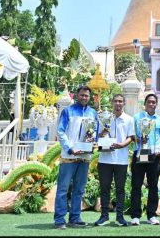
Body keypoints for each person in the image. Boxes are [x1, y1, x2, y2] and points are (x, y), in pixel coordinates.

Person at [54, 86, 98, 229]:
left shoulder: (93, 113)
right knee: (63, 189)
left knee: (79, 189)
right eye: (82, 95)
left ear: (89, 97)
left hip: (84, 156)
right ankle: (59, 220)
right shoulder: (68, 111)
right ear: (77, 96)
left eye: (86, 95)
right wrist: (70, 148)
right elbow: (60, 131)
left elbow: (94, 132)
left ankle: (75, 218)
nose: (84, 97)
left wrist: (95, 143)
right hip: (69, 155)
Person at [94, 94, 135, 227]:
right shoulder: (104, 117)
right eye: (116, 101)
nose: (118, 103)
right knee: (104, 188)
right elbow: (96, 135)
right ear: (112, 103)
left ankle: (120, 216)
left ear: (124, 104)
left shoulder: (129, 119)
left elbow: (131, 137)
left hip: (121, 160)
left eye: (120, 101)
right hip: (105, 159)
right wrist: (102, 133)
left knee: (120, 189)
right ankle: (104, 216)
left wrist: (122, 145)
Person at [130, 93, 160, 226]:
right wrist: (140, 139)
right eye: (149, 102)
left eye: (153, 102)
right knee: (136, 185)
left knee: (153, 186)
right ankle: (135, 215)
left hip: (154, 156)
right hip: (139, 154)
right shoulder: (136, 118)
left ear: (156, 104)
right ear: (144, 104)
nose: (151, 104)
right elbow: (132, 135)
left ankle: (151, 215)